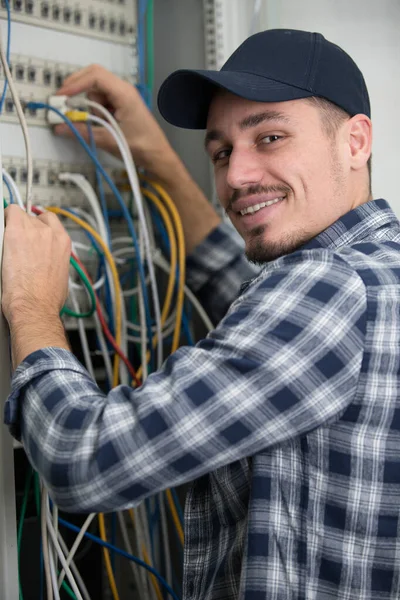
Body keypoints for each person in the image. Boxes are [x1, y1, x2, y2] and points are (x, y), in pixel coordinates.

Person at [2, 28, 400, 599]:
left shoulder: (328, 287)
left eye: (270, 137)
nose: (236, 176)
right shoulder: (373, 271)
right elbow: (241, 295)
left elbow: (82, 458)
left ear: (356, 141)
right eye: (221, 151)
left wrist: (30, 302)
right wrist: (155, 158)